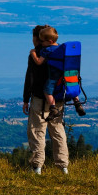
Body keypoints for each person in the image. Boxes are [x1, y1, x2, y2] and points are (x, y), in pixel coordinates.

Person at [22, 25, 70, 175]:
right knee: (58, 130)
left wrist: (25, 99)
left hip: (40, 98)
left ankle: (37, 166)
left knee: (37, 131)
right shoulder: (60, 51)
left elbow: (30, 78)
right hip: (58, 98)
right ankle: (63, 166)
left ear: (37, 38)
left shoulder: (37, 54)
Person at [28, 26, 85, 121]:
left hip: (54, 76)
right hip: (67, 75)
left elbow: (39, 62)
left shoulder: (47, 50)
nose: (41, 43)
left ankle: (53, 108)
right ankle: (77, 103)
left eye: (42, 41)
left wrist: (33, 53)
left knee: (47, 91)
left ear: (49, 41)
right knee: (69, 86)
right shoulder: (61, 48)